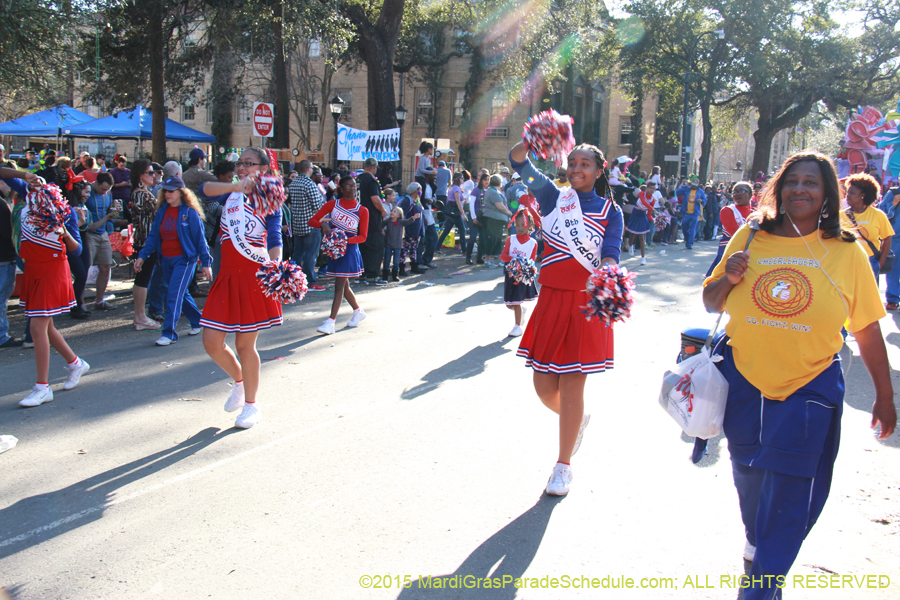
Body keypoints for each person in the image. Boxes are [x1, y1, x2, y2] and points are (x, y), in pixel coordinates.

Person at [703, 151, 896, 600]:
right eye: (793, 181)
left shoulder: (847, 251)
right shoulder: (750, 236)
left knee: (790, 494)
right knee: (749, 479)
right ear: (780, 188)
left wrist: (885, 397)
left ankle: (762, 585)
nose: (801, 189)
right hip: (744, 383)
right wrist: (729, 279)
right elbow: (712, 302)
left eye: (812, 182)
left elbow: (867, 328)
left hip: (810, 388)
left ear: (829, 192)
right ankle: (759, 549)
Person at [508, 139, 623, 496]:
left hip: (585, 305)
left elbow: (611, 252)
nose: (577, 169)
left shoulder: (610, 211)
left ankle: (563, 466)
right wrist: (532, 138)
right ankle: (578, 420)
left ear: (599, 170)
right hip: (551, 300)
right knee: (544, 387)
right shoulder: (553, 197)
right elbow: (518, 162)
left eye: (585, 164)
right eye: (572, 162)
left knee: (573, 382)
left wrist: (608, 274)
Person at [198, 148, 285, 430]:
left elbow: (274, 237)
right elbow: (203, 189)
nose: (243, 167)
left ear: (263, 168)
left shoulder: (270, 202)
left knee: (244, 344)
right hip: (226, 276)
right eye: (241, 163)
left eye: (250, 163)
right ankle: (239, 381)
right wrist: (235, 186)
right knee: (211, 341)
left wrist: (277, 265)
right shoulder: (231, 193)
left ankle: (251, 404)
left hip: (252, 276)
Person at [1, 167, 91, 406]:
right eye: (34, 181)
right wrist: (22, 174)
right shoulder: (28, 192)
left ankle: (43, 387)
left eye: (40, 181)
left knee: (37, 328)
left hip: (52, 269)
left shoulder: (65, 210)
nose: (35, 184)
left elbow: (77, 250)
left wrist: (63, 233)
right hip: (33, 267)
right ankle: (75, 363)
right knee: (46, 327)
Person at [134, 176, 211, 346]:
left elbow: (200, 240)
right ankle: (198, 321)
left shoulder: (190, 213)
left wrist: (206, 263)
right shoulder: (162, 210)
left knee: (173, 295)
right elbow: (153, 236)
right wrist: (142, 256)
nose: (167, 194)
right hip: (166, 260)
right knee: (180, 294)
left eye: (171, 191)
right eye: (165, 191)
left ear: (181, 192)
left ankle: (169, 333)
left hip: (185, 260)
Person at [308, 175, 369, 334]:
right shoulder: (332, 204)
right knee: (344, 284)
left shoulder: (362, 210)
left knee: (339, 286)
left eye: (354, 186)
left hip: (348, 251)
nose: (352, 189)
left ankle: (331, 321)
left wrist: (343, 240)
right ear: (341, 189)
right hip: (335, 251)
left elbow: (362, 237)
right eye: (348, 186)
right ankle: (357, 311)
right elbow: (312, 221)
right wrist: (323, 225)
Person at [128, 159, 162, 330]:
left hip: (144, 240)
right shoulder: (141, 193)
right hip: (146, 241)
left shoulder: (141, 193)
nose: (153, 175)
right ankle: (140, 316)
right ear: (140, 175)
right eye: (149, 172)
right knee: (143, 279)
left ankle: (140, 315)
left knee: (143, 278)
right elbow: (156, 214)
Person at [84, 172, 125, 310]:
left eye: (107, 190)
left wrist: (115, 211)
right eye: (103, 189)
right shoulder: (88, 192)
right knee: (85, 268)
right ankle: (79, 303)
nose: (105, 192)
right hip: (89, 233)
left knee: (105, 267)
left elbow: (109, 211)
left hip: (103, 233)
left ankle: (99, 301)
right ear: (96, 183)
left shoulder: (107, 194)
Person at [844, 172, 892, 278]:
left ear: (862, 195)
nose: (847, 195)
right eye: (847, 192)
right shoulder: (840, 216)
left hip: (870, 261)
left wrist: (879, 265)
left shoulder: (878, 215)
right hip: (845, 262)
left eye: (852, 193)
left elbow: (887, 239)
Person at [288, 159, 326, 292]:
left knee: (297, 254)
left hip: (297, 224)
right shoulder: (309, 184)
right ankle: (310, 281)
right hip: (310, 225)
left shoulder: (293, 184)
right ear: (309, 169)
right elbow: (318, 206)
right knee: (311, 255)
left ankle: (294, 279)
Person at [500, 209, 538, 337]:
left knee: (516, 302)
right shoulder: (511, 239)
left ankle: (517, 327)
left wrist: (524, 268)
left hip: (522, 278)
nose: (520, 228)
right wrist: (515, 261)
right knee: (509, 304)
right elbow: (503, 256)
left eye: (523, 225)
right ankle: (520, 311)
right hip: (510, 275)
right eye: (517, 225)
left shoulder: (533, 243)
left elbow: (532, 261)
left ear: (530, 226)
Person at [706, 181, 753, 277]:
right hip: (730, 252)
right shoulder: (728, 210)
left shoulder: (755, 213)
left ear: (750, 194)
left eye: (741, 191)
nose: (737, 194)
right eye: (734, 192)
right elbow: (736, 233)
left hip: (751, 253)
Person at [357, 157, 388, 286]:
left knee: (362, 246)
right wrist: (383, 210)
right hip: (371, 219)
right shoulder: (371, 181)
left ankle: (362, 274)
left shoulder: (357, 180)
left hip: (358, 217)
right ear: (374, 167)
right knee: (375, 246)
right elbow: (375, 200)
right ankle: (373, 275)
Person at [67, 182, 93, 320]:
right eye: (86, 192)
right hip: (73, 244)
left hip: (84, 240)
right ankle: (75, 306)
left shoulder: (82, 205)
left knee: (84, 272)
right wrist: (78, 224)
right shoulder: (69, 207)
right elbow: (65, 230)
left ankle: (78, 303)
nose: (88, 195)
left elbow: (89, 225)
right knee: (81, 275)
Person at [0, 179, 21, 347]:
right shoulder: (1, 205)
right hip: (4, 258)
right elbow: (9, 233)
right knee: (1, 298)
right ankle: (1, 335)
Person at [481, 174, 512, 266]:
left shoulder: (494, 191)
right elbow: (500, 206)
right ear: (499, 182)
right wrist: (509, 213)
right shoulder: (492, 192)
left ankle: (500, 259)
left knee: (497, 240)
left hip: (497, 219)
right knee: (491, 240)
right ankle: (487, 261)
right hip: (493, 219)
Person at [383, 205, 420, 281]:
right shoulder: (388, 221)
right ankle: (385, 276)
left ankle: (395, 275)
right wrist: (382, 231)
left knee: (396, 261)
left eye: (395, 212)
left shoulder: (400, 222)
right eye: (392, 211)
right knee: (387, 260)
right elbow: (381, 224)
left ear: (399, 215)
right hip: (388, 244)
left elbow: (407, 221)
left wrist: (413, 217)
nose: (392, 213)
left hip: (397, 244)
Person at [625, 182, 657, 265]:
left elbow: (649, 214)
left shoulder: (652, 200)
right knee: (632, 233)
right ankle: (630, 245)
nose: (652, 190)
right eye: (650, 188)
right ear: (647, 188)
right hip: (635, 214)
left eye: (653, 189)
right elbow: (643, 202)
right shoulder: (642, 193)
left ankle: (643, 258)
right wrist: (652, 208)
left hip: (642, 216)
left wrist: (653, 220)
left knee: (642, 237)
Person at [879, 180, 900, 309]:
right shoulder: (893, 192)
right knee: (893, 269)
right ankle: (892, 299)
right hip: (895, 237)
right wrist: (893, 203)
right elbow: (882, 214)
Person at [397, 182, 425, 276]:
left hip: (416, 231)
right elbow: (403, 216)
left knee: (413, 249)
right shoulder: (407, 201)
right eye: (419, 190)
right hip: (408, 230)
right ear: (416, 190)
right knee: (404, 250)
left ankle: (414, 266)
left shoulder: (417, 200)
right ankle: (401, 268)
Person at [436, 171, 467, 254]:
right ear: (458, 179)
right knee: (462, 230)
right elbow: (457, 201)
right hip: (455, 213)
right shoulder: (456, 189)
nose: (463, 180)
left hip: (451, 213)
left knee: (446, 231)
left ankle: (437, 247)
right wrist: (463, 213)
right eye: (462, 178)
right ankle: (464, 249)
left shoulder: (453, 188)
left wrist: (463, 202)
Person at [676, 176, 706, 249]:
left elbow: (704, 200)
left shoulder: (700, 192)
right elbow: (677, 192)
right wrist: (685, 186)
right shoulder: (687, 189)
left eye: (695, 185)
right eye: (693, 185)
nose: (694, 186)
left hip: (695, 213)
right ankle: (687, 238)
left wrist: (701, 201)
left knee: (693, 228)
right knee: (684, 226)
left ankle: (690, 243)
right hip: (686, 212)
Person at [468, 172, 490, 265]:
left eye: (488, 179)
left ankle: (479, 257)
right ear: (481, 181)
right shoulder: (476, 190)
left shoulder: (489, 191)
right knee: (472, 237)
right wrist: (473, 217)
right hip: (475, 216)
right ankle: (468, 257)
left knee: (483, 238)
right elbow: (471, 204)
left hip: (484, 217)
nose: (487, 181)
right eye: (485, 179)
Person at [417, 172, 438, 270]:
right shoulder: (421, 186)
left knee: (434, 237)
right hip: (422, 215)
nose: (435, 177)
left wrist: (432, 201)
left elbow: (434, 197)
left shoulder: (432, 186)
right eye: (433, 175)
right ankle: (418, 261)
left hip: (429, 215)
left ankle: (427, 259)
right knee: (421, 240)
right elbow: (417, 201)